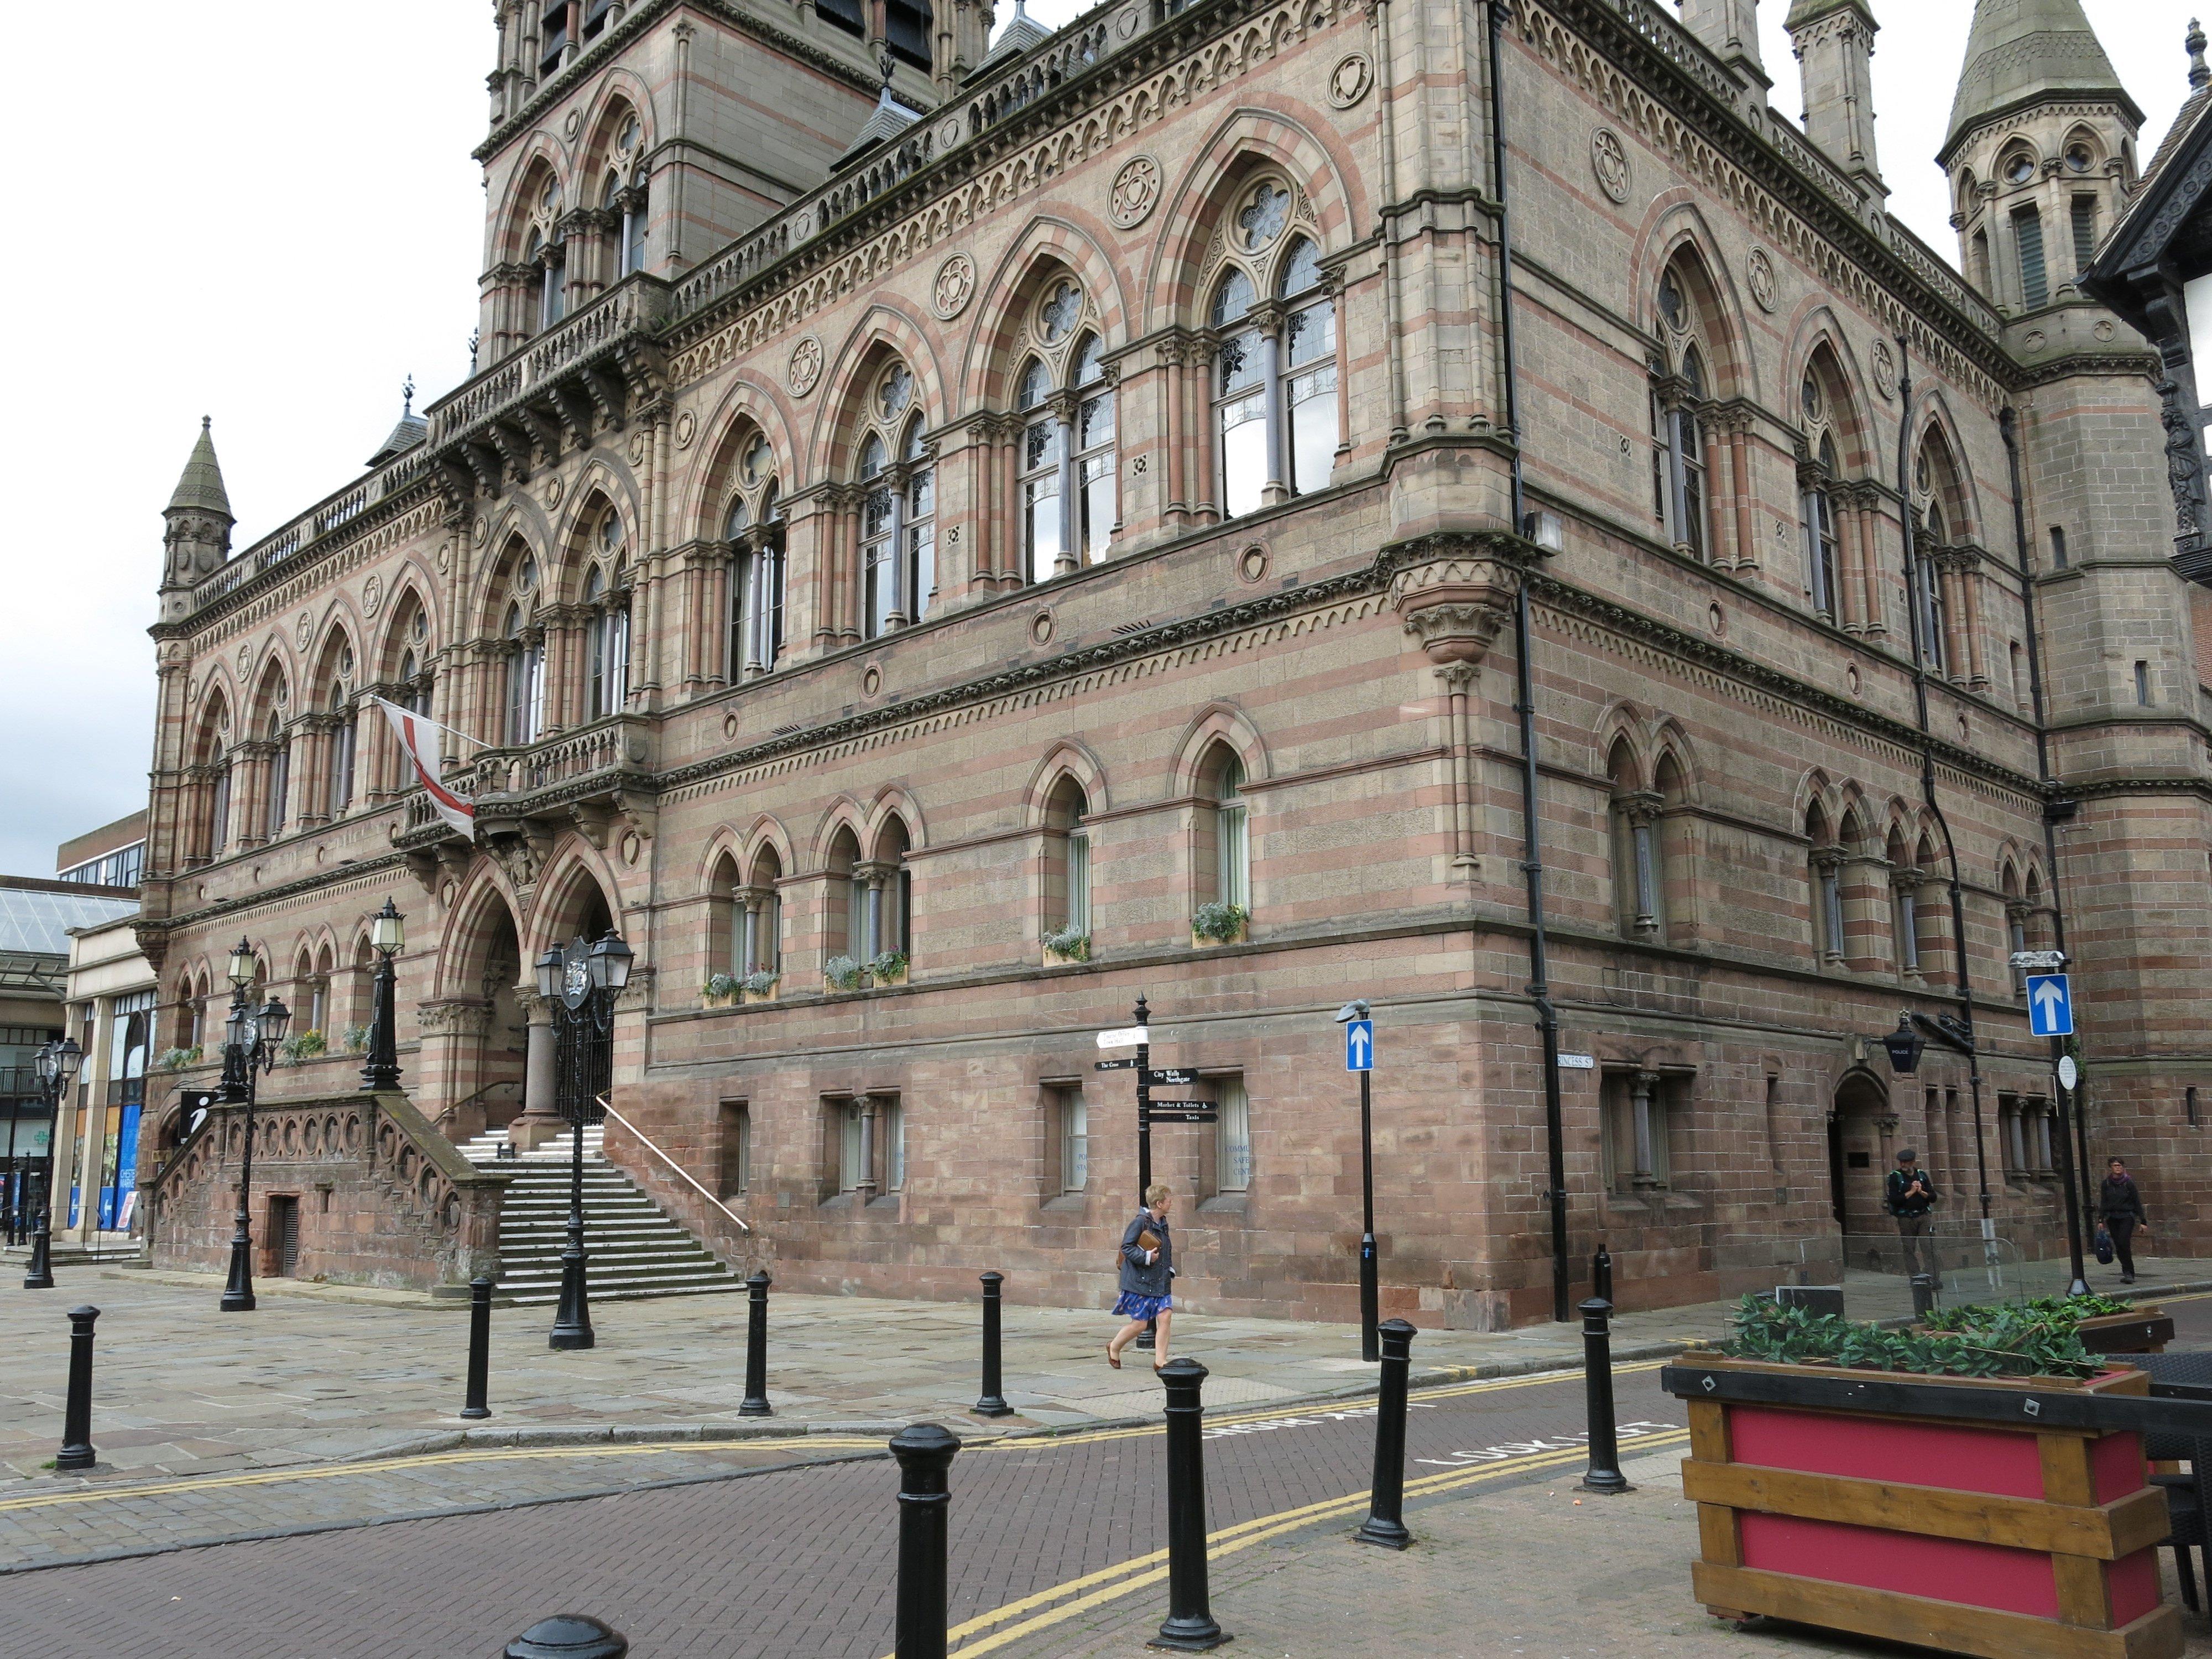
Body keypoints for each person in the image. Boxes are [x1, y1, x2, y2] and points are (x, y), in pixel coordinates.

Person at [1107, 1182, 1176, 1370]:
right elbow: (1126, 1247)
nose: (1172, 1203)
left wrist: (1169, 1268)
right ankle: (1114, 1347)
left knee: (1166, 1316)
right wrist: (1146, 1257)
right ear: (1160, 1203)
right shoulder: (1140, 1222)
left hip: (1160, 1281)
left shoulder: (1163, 1223)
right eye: (1169, 1201)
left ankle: (1160, 1361)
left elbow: (1165, 1249)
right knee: (1140, 1324)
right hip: (1140, 1281)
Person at [1885, 1149, 1939, 1286]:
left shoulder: (1921, 1175)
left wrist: (1921, 1192)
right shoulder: (1895, 1177)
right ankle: (1915, 1277)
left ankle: (1933, 1278)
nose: (1903, 1164)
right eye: (1901, 1162)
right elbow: (1894, 1200)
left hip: (1923, 1216)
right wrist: (1911, 1192)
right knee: (1909, 1248)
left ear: (1913, 1162)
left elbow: (1933, 1197)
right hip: (1906, 1218)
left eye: (1906, 1162)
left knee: (1928, 1247)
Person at [2099, 1157, 2148, 1285]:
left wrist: (2143, 1221)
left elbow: (2137, 1201)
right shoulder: (2107, 1184)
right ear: (2111, 1167)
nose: (2118, 1167)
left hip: (2127, 1216)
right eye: (2115, 1165)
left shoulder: (2128, 1183)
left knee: (2123, 1242)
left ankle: (2129, 1272)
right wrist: (2101, 1219)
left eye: (2120, 1165)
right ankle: (2126, 1271)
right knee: (2119, 1245)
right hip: (2112, 1217)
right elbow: (2104, 1202)